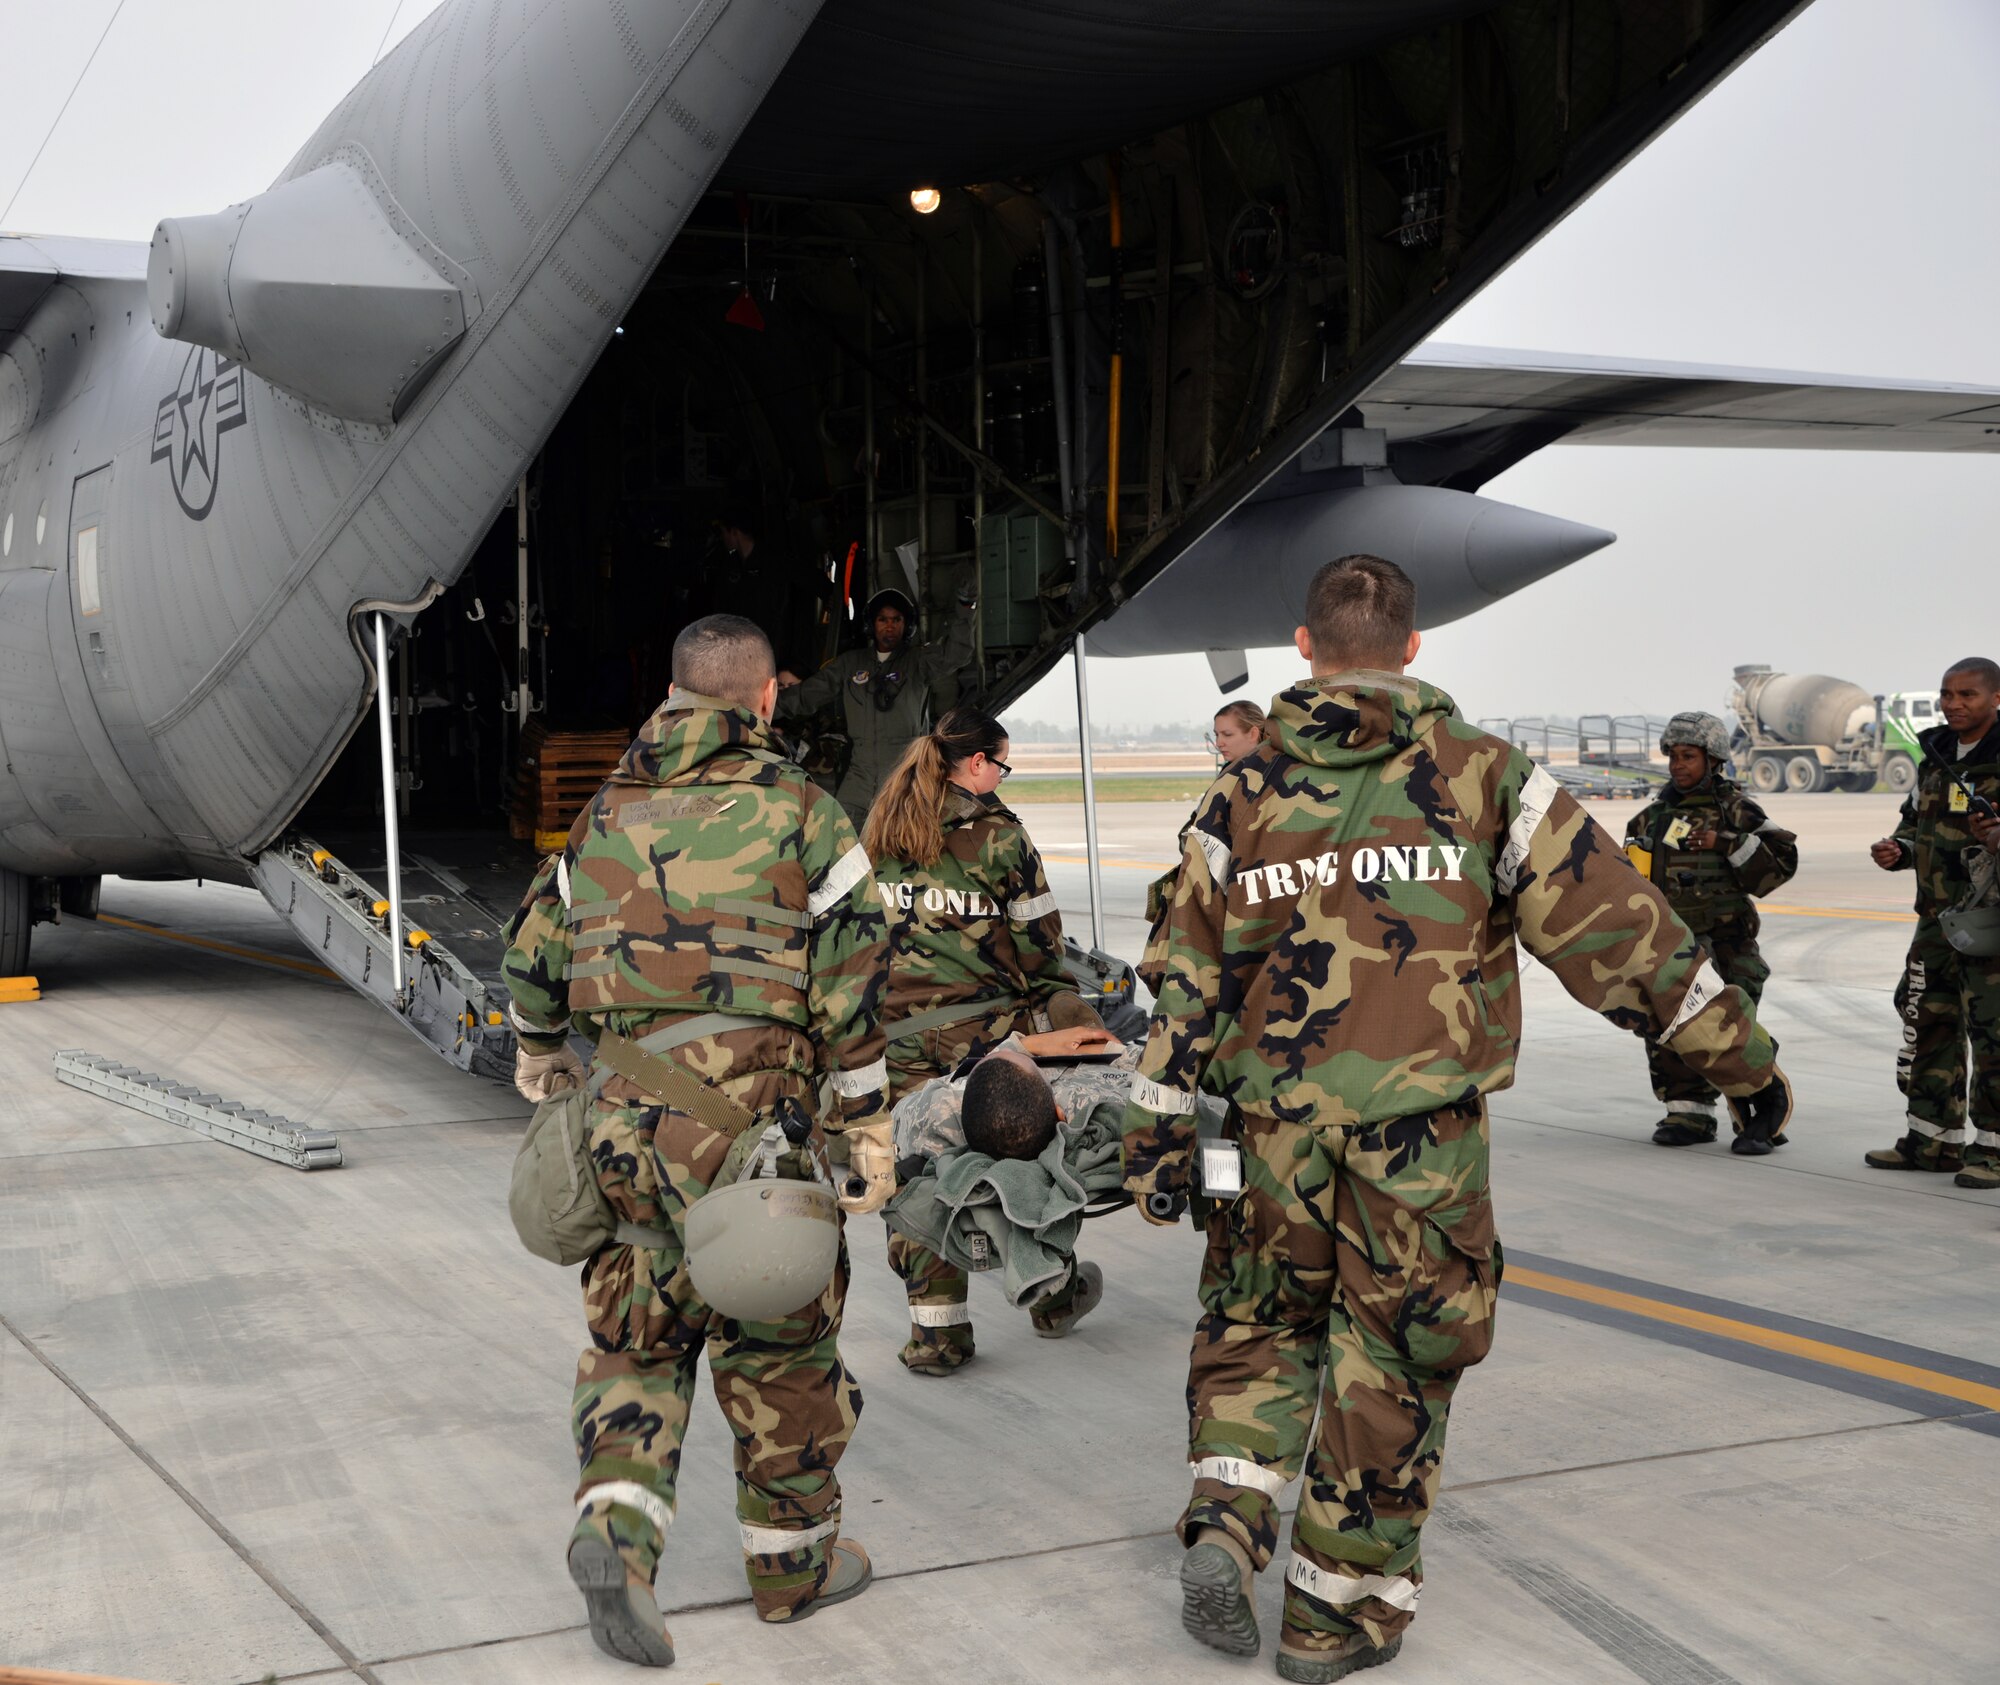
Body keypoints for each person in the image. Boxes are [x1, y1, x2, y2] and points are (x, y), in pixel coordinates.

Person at [1120, 555, 1792, 1683]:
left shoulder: (1238, 790)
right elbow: (1617, 929)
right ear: (1414, 647)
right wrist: (1741, 1060)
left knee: (1257, 1322)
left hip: (1270, 1132)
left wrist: (1154, 1135)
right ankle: (1333, 1612)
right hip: (1417, 1138)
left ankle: (1227, 1522)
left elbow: (1180, 977)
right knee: (1394, 1355)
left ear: (1304, 647)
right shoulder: (1485, 775)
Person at [501, 614, 893, 1666]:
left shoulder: (602, 813)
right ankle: (791, 1568)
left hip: (624, 1130)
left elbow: (532, 960)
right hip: (754, 1137)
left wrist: (539, 1053)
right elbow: (854, 983)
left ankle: (615, 1537)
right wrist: (867, 1122)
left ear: (672, 695)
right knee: (782, 1344)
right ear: (765, 698)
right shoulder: (803, 811)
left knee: (635, 1342)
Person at [853, 705, 1091, 1376]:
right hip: (985, 1042)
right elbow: (1041, 948)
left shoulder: (879, 832)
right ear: (978, 763)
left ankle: (938, 1335)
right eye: (1002, 766)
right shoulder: (1001, 838)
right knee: (1022, 1161)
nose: (1002, 780)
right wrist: (1064, 1015)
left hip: (896, 1042)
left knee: (916, 1171)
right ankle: (1052, 1296)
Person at [1624, 711, 1799, 1147]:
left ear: (1713, 759)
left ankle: (1760, 1118)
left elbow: (1781, 865)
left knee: (1731, 1033)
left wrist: (1727, 843)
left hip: (1727, 948)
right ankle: (1689, 1116)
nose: (1678, 765)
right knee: (1670, 1031)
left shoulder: (1737, 811)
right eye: (1673, 756)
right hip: (1673, 949)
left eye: (1689, 756)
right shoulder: (1650, 820)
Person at [1864, 657, 2000, 1185]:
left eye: (1967, 695)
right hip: (1936, 922)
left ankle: (1992, 1151)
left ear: (1995, 698)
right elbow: (1913, 822)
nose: (1953, 704)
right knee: (1927, 1021)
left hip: (1989, 923)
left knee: (1993, 1036)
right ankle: (1932, 1142)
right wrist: (1898, 849)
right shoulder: (1936, 758)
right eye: (1947, 694)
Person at [775, 584, 974, 829]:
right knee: (841, 838)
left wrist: (965, 608)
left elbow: (957, 654)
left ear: (907, 625)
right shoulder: (850, 664)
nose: (889, 626)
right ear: (871, 625)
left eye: (896, 619)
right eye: (882, 619)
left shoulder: (918, 662)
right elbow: (806, 695)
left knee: (905, 843)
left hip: (904, 776)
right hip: (859, 776)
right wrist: (762, 709)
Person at [1139, 701, 1269, 996]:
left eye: (1227, 734)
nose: (1219, 743)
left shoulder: (1248, 780)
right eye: (1216, 734)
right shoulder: (1235, 776)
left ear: (1253, 733)